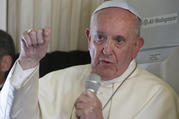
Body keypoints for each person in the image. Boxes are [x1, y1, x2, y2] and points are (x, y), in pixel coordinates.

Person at [0, 0, 178, 119]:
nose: (106, 50)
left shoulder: (159, 97)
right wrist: (28, 62)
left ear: (136, 46)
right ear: (88, 38)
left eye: (119, 40)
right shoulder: (56, 80)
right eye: (100, 37)